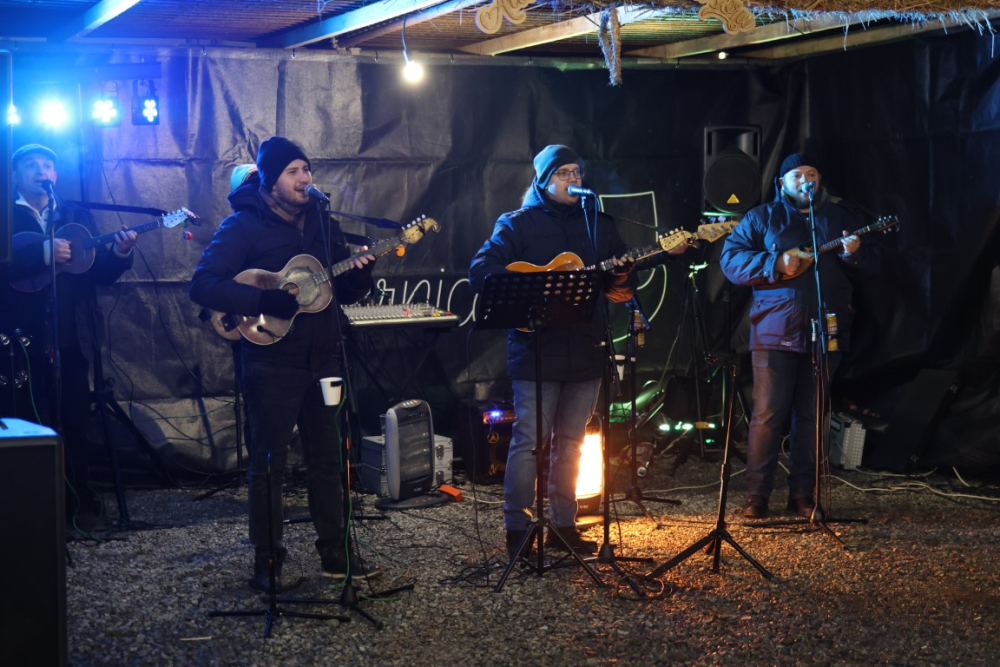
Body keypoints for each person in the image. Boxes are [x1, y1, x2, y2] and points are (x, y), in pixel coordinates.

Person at [189, 137, 379, 593]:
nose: (304, 179)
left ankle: (335, 551)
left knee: (328, 459)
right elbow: (204, 285)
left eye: (307, 170)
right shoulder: (243, 226)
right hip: (271, 361)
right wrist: (262, 298)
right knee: (269, 462)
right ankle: (268, 557)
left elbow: (345, 294)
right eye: (293, 171)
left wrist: (361, 273)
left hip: (325, 357)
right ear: (270, 180)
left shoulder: (322, 221)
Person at [469, 144, 645, 559]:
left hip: (586, 347)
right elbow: (482, 270)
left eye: (577, 173)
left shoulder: (599, 224)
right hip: (536, 350)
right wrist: (541, 282)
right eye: (564, 173)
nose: (574, 180)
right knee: (529, 439)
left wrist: (624, 273)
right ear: (544, 180)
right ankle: (518, 528)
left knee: (573, 441)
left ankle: (564, 527)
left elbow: (620, 289)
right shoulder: (517, 224)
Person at [719, 152, 880, 519]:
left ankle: (803, 495)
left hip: (826, 332)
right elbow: (730, 262)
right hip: (775, 332)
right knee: (768, 415)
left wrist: (854, 254)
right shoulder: (761, 218)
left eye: (812, 173)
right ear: (782, 183)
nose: (806, 180)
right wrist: (773, 263)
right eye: (797, 175)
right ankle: (757, 496)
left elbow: (872, 267)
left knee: (811, 416)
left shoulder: (839, 217)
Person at [0, 143, 138, 532]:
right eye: (31, 165)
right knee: (24, 418)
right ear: (14, 175)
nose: (42, 170)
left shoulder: (74, 215)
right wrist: (41, 254)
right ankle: (26, 509)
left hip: (67, 339)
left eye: (48, 165)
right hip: (15, 339)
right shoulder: (4, 215)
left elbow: (95, 272)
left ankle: (78, 503)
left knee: (74, 418)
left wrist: (120, 255)